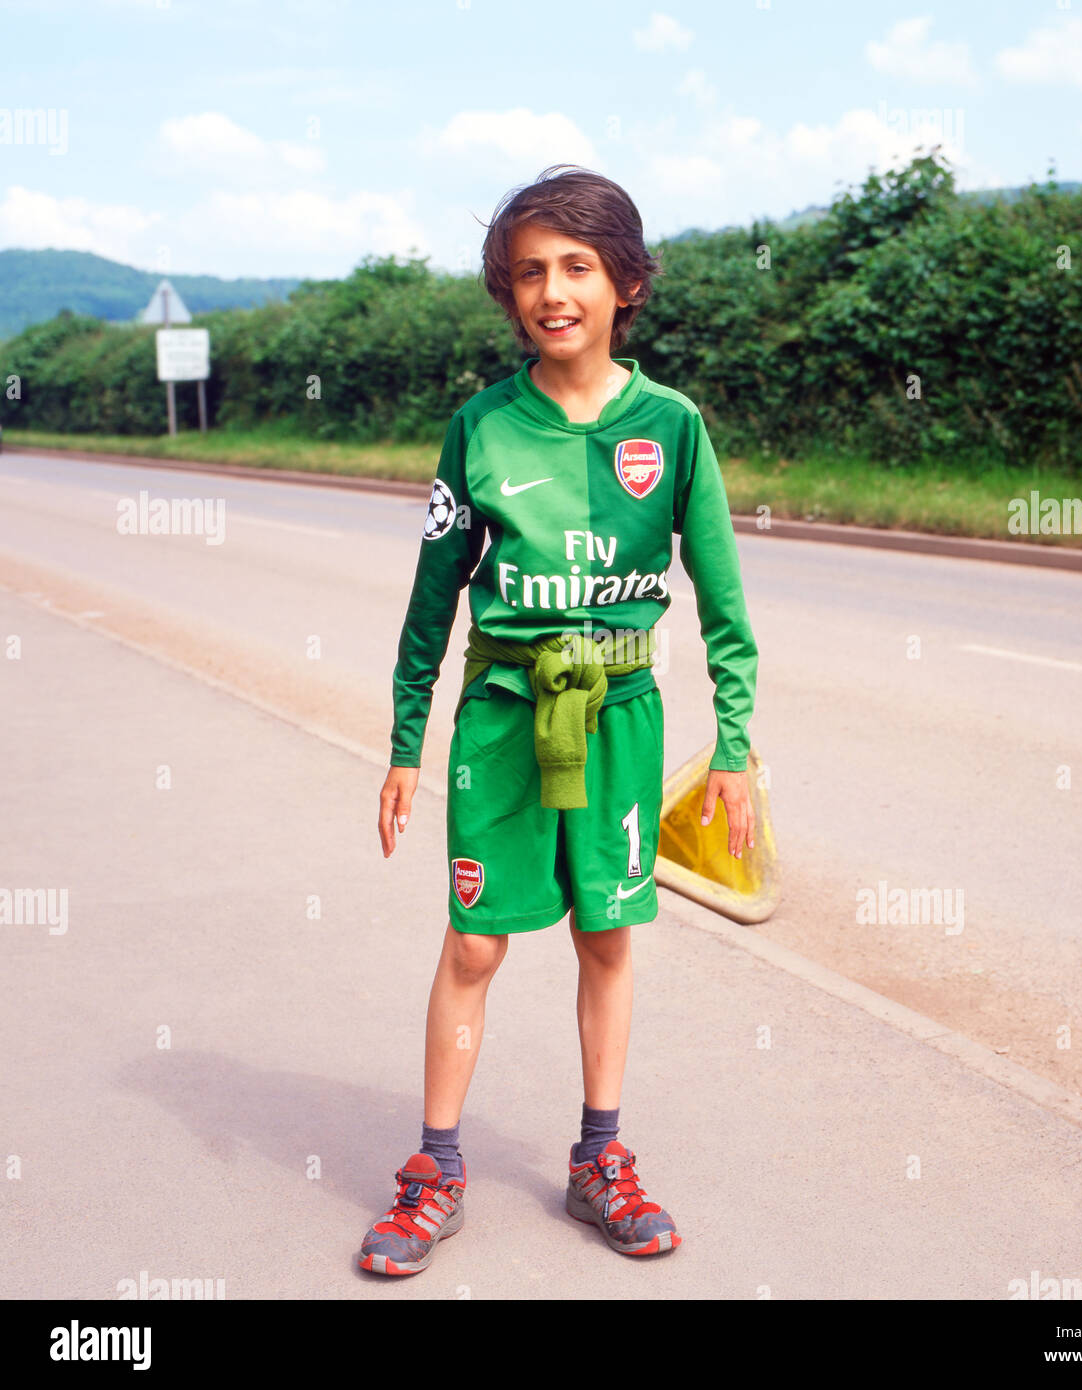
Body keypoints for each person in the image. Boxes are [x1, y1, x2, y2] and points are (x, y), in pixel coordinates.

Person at [358, 164, 758, 1275]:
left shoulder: (672, 428)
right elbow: (431, 600)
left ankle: (599, 1160)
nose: (552, 289)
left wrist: (731, 746)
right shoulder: (479, 429)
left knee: (605, 935)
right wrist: (403, 742)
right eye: (528, 270)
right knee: (476, 941)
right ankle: (433, 1169)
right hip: (501, 721)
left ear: (624, 282)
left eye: (576, 266)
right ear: (507, 292)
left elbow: (724, 604)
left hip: (621, 716)